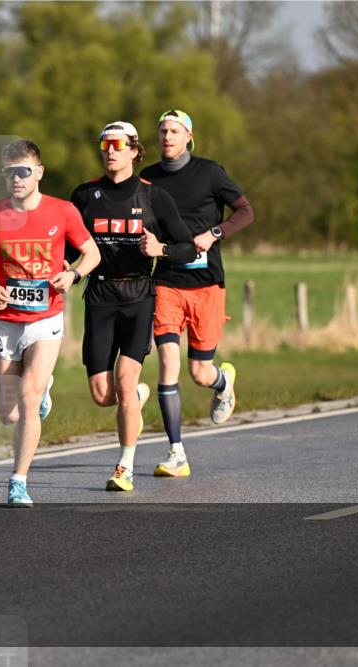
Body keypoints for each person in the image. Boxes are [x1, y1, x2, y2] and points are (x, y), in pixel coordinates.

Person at [0, 139, 100, 507]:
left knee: (27, 400)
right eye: (9, 172)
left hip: (46, 319)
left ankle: (18, 481)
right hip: (6, 321)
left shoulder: (63, 212)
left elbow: (92, 252)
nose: (16, 178)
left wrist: (73, 276)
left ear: (39, 172)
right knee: (7, 413)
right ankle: (42, 391)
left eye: (23, 171)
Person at [67, 122, 196, 492]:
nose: (110, 150)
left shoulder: (154, 197)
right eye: (104, 144)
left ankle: (124, 467)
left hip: (139, 296)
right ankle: (134, 399)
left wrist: (162, 250)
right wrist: (61, 267)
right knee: (102, 395)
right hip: (99, 297)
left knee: (124, 380)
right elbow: (67, 247)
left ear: (135, 151)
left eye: (118, 144)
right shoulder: (85, 195)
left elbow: (188, 246)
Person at [139, 109, 255, 478]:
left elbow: (245, 212)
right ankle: (176, 453)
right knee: (168, 365)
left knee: (200, 373)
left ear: (189, 136)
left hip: (207, 284)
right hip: (167, 281)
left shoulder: (210, 172)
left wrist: (215, 234)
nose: (167, 137)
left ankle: (223, 383)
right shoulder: (148, 179)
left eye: (175, 130)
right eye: (162, 131)